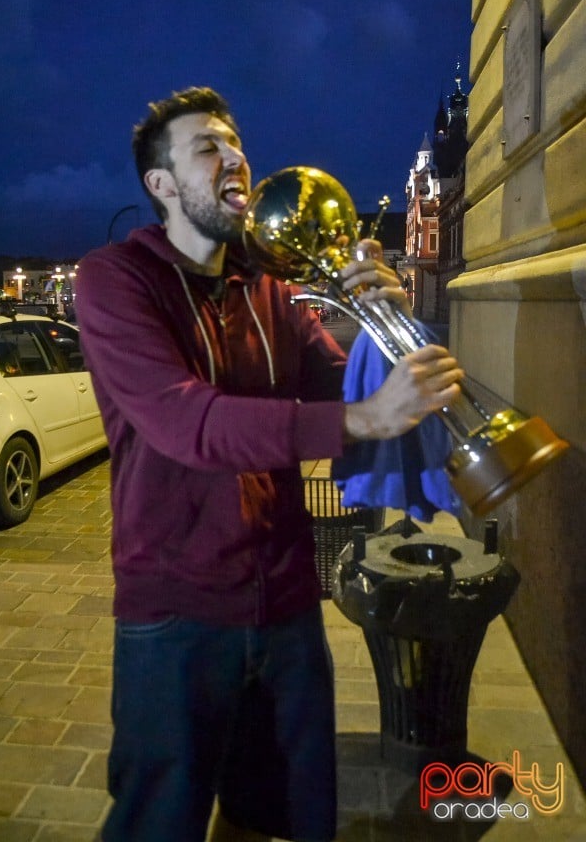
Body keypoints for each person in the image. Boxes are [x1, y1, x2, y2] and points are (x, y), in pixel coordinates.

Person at [74, 86, 462, 842]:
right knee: (161, 820)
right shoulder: (115, 281)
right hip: (176, 608)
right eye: (207, 148)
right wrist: (362, 417)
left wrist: (380, 319)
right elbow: (187, 422)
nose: (235, 159)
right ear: (162, 185)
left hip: (284, 599)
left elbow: (334, 380)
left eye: (235, 143)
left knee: (274, 814)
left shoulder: (273, 287)